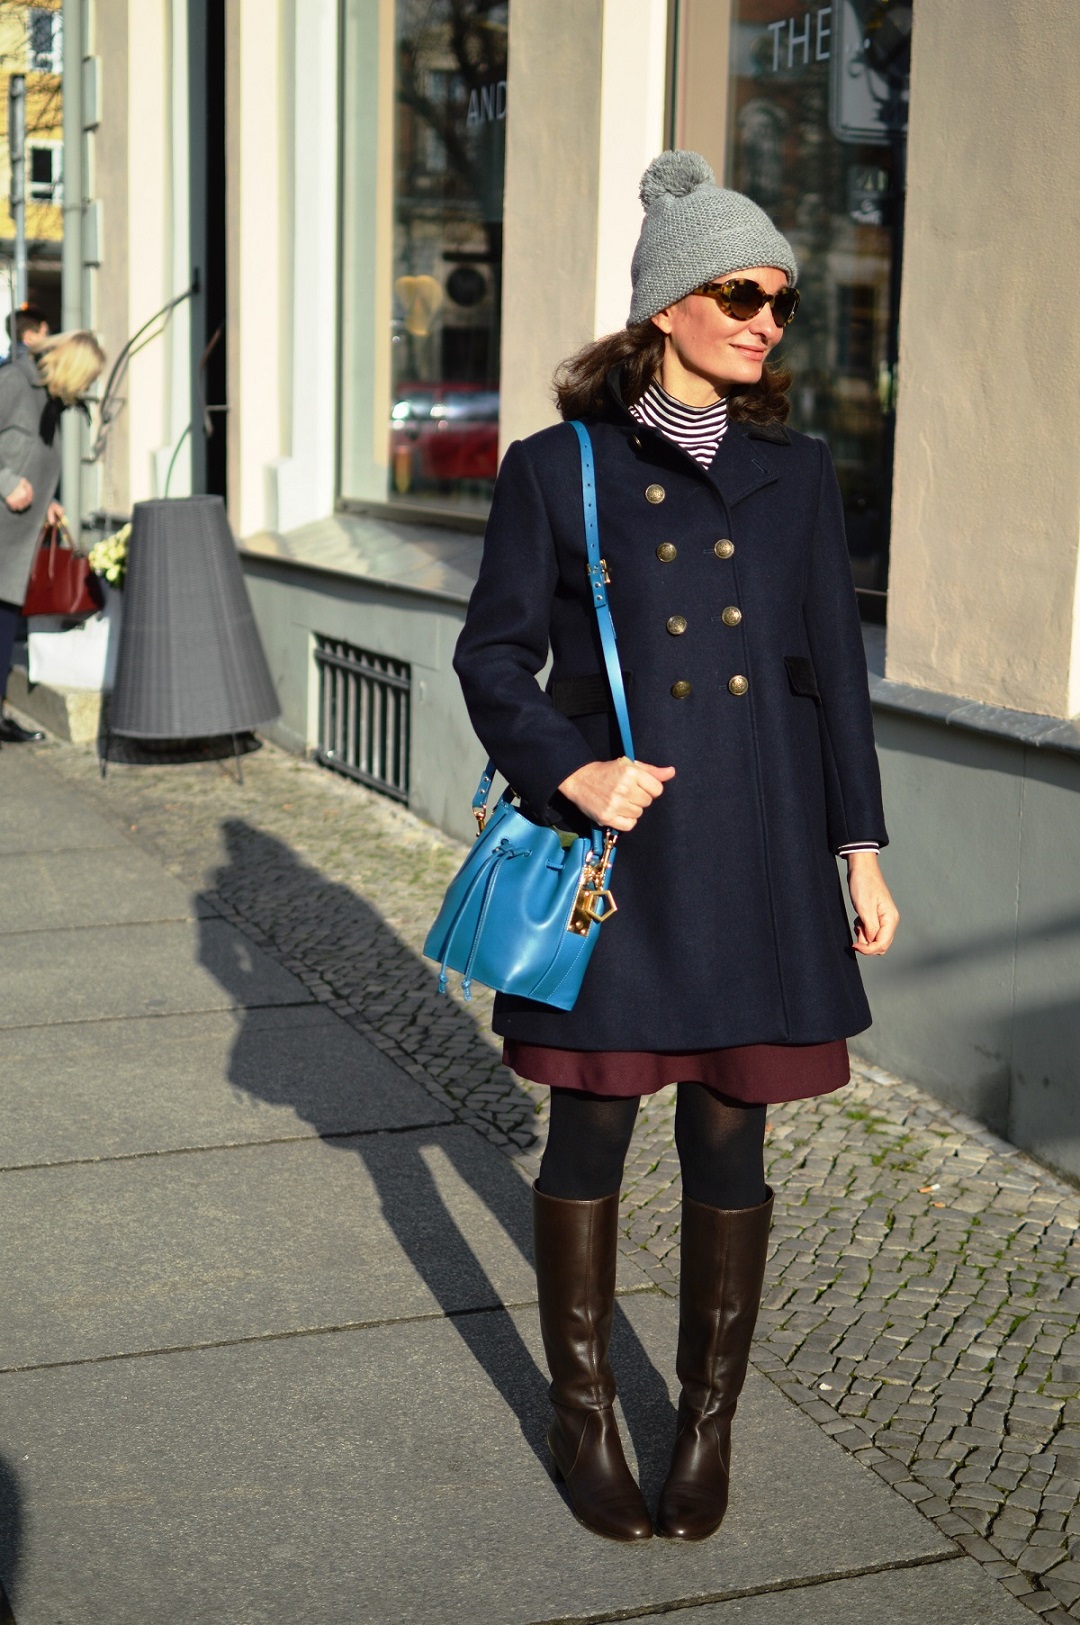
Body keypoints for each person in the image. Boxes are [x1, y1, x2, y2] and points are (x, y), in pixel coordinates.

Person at [453, 151, 899, 1544]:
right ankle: (580, 1412)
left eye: (780, 300)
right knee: (591, 1122)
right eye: (741, 293)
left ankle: (706, 1427)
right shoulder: (560, 469)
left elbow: (832, 672)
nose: (768, 320)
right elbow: (493, 656)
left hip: (761, 851)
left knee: (731, 1134)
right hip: (622, 859)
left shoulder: (798, 471)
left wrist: (860, 848)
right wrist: (572, 767)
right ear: (666, 309)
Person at [0, 329, 106, 743]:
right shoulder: (15, 383)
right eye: (87, 378)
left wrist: (47, 502)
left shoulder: (48, 405)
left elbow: (29, 459)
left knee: (5, 634)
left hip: (16, 543)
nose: (88, 388)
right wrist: (6, 481)